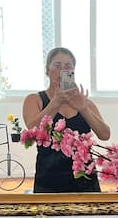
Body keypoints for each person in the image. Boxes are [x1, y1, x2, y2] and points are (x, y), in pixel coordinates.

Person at [23, 47, 111, 193]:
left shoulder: (85, 103)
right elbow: (33, 132)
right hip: (48, 178)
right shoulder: (34, 100)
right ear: (47, 70)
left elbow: (105, 134)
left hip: (84, 178)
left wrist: (83, 108)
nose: (63, 70)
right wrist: (56, 102)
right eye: (57, 65)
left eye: (68, 66)